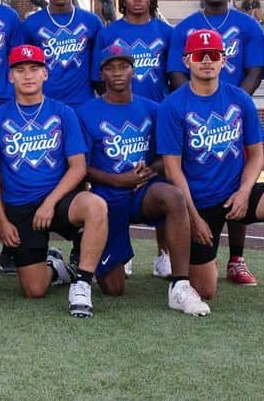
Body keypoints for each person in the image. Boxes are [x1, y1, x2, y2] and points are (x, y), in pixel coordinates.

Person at [158, 29, 264, 316]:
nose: (207, 61)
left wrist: (244, 192)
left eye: (214, 55)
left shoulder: (240, 99)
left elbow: (256, 155)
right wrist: (193, 218)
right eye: (199, 55)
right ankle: (199, 262)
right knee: (205, 290)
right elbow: (172, 169)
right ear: (186, 61)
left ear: (223, 61)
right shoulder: (172, 105)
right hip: (200, 202)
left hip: (235, 194)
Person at [78, 44, 209, 315]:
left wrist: (150, 170)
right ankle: (80, 256)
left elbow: (167, 156)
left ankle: (179, 284)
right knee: (113, 289)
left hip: (142, 192)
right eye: (110, 68)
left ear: (133, 71)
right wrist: (118, 180)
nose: (117, 73)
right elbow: (82, 167)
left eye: (123, 66)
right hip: (107, 197)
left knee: (173, 196)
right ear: (101, 74)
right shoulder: (85, 112)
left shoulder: (153, 109)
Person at [0, 45, 108, 318]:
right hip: (20, 205)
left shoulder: (63, 113)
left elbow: (78, 167)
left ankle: (83, 284)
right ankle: (59, 269)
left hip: (60, 200)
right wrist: (2, 221)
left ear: (45, 74)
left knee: (96, 205)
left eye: (34, 69)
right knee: (34, 289)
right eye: (20, 70)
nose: (28, 76)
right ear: (10, 76)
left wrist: (50, 203)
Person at [167, 0, 264, 286]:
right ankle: (181, 252)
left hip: (234, 113)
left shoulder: (247, 24)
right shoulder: (185, 28)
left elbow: (255, 69)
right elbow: (176, 72)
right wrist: (199, 102)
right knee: (197, 176)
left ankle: (237, 258)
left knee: (237, 179)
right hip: (194, 112)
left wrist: (234, 103)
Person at [21, 0, 102, 110]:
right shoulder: (31, 24)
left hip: (83, 104)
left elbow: (98, 69)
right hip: (45, 104)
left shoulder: (92, 22)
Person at [93, 0, 172, 103]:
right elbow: (97, 79)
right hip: (119, 113)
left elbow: (175, 76)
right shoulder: (107, 34)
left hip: (158, 111)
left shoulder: (167, 32)